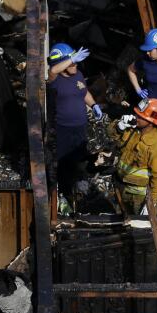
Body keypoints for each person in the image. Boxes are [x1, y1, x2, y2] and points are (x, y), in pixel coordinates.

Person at [47, 42, 98, 212]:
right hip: (63, 129)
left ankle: (79, 184)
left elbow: (84, 93)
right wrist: (70, 59)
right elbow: (52, 71)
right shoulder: (56, 80)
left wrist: (94, 105)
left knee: (80, 157)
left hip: (80, 126)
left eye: (76, 62)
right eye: (72, 62)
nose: (75, 65)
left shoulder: (78, 75)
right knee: (64, 162)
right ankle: (64, 191)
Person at [109, 98, 157, 215]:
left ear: (151, 121)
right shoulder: (133, 131)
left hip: (139, 198)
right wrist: (119, 127)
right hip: (121, 188)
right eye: (136, 114)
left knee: (139, 231)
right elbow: (111, 137)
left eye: (140, 116)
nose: (136, 117)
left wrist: (151, 203)